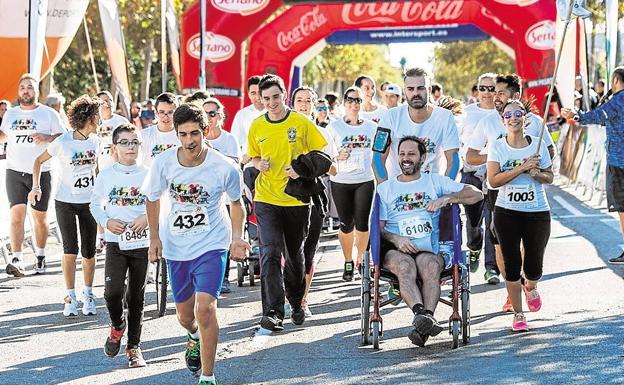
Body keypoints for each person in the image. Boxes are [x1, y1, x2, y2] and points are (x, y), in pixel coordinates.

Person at [144, 103, 249, 385]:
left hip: (211, 243)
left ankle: (208, 376)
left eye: (194, 133)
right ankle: (192, 336)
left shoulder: (223, 166)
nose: (189, 141)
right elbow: (152, 198)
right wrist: (154, 237)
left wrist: (237, 237)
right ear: (176, 135)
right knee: (185, 316)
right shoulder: (163, 163)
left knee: (205, 308)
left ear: (205, 131)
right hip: (176, 246)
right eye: (183, 134)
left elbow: (236, 204)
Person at [378, 136, 483, 346]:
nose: (406, 159)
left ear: (422, 157)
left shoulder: (435, 182)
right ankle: (422, 315)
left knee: (431, 267)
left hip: (428, 247)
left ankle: (424, 320)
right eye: (402, 154)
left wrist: (448, 198)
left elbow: (477, 194)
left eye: (411, 154)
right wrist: (396, 239)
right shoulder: (385, 188)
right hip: (396, 248)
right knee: (405, 266)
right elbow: (379, 229)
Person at [247, 74, 327, 331]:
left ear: (284, 95)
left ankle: (296, 302)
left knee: (294, 256)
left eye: (276, 97)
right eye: (266, 98)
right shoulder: (257, 126)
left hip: (296, 200)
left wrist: (301, 169)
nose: (271, 102)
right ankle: (272, 312)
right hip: (266, 198)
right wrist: (260, 163)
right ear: (260, 99)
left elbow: (322, 154)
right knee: (269, 252)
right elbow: (252, 158)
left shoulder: (301, 122)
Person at [29, 95, 100, 316]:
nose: (100, 120)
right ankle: (70, 295)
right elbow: (38, 161)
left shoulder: (95, 141)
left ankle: (88, 294)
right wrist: (36, 187)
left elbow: (95, 169)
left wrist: (100, 193)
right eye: (97, 116)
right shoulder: (63, 142)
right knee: (70, 249)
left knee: (89, 252)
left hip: (88, 202)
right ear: (88, 118)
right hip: (66, 202)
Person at [487, 100, 553, 332]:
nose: (513, 118)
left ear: (525, 118)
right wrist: (521, 168)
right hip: (507, 212)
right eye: (508, 115)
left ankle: (531, 286)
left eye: (518, 113)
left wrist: (537, 173)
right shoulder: (498, 147)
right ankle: (518, 314)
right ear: (503, 120)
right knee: (512, 264)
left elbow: (550, 177)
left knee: (534, 265)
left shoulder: (537, 145)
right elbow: (493, 181)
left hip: (537, 211)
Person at [90, 123, 149, 368]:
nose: (130, 147)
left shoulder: (147, 173)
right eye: (124, 142)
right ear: (114, 147)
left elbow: (159, 202)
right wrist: (106, 221)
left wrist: (146, 218)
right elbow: (95, 204)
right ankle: (117, 325)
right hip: (116, 242)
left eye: (134, 142)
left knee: (136, 297)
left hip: (142, 243)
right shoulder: (107, 174)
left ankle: (134, 348)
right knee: (112, 293)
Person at [0, 73, 66, 277]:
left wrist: (48, 136)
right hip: (14, 171)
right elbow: (3, 135)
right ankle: (17, 258)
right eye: (22, 88)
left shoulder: (48, 114)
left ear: (37, 91)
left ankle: (40, 255)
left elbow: (64, 137)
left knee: (39, 217)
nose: (25, 91)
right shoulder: (10, 115)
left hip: (41, 172)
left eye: (29, 87)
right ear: (18, 92)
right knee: (16, 216)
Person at [562, 66, 624, 264]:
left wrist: (575, 114)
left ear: (615, 81)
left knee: (622, 209)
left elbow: (596, 116)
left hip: (618, 162)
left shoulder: (617, 101)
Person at [289, 86, 337, 318]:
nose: (304, 104)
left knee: (308, 251)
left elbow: (334, 168)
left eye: (309, 100)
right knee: (286, 253)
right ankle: (287, 297)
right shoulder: (281, 130)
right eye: (300, 100)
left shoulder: (322, 133)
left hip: (313, 195)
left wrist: (311, 167)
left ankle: (302, 300)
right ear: (292, 102)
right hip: (283, 196)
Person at [374, 67, 460, 183]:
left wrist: (445, 192)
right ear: (405, 91)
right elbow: (378, 158)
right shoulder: (389, 117)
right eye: (410, 89)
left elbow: (453, 159)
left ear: (429, 90)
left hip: (432, 190)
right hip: (397, 189)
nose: (416, 93)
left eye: (421, 88)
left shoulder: (445, 117)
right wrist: (384, 189)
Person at [327, 86, 376, 281]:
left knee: (363, 223)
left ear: (362, 103)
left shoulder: (371, 127)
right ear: (343, 103)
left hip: (364, 179)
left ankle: (361, 260)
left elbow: (381, 153)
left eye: (357, 100)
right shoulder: (334, 127)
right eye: (350, 100)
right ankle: (348, 259)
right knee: (346, 224)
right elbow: (325, 154)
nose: (354, 104)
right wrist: (337, 155)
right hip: (341, 180)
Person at [459, 73, 500, 278]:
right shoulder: (467, 113)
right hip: (471, 173)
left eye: (491, 88)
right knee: (473, 222)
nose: (486, 93)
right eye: (482, 88)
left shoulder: (503, 114)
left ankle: (491, 268)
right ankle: (474, 247)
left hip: (495, 175)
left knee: (492, 221)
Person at [202, 97, 242, 295]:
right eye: (205, 113)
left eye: (213, 113)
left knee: (223, 236)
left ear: (220, 116)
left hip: (225, 195)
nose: (209, 118)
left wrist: (214, 153)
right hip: (202, 196)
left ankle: (223, 276)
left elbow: (235, 164)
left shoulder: (228, 139)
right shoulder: (196, 137)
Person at [96, 91, 130, 253]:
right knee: (99, 204)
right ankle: (101, 236)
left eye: (109, 100)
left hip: (118, 168)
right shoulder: (94, 122)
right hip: (100, 168)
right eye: (103, 101)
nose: (107, 103)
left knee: (116, 203)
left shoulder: (121, 121)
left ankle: (118, 234)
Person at [230, 75, 266, 164]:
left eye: (260, 92)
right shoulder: (242, 115)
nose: (257, 97)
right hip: (250, 165)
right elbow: (234, 142)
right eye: (253, 93)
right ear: (249, 94)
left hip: (273, 162)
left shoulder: (274, 112)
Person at [139, 92, 180, 168]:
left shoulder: (184, 135)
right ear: (156, 113)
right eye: (162, 112)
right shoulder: (143, 135)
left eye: (170, 112)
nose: (166, 117)